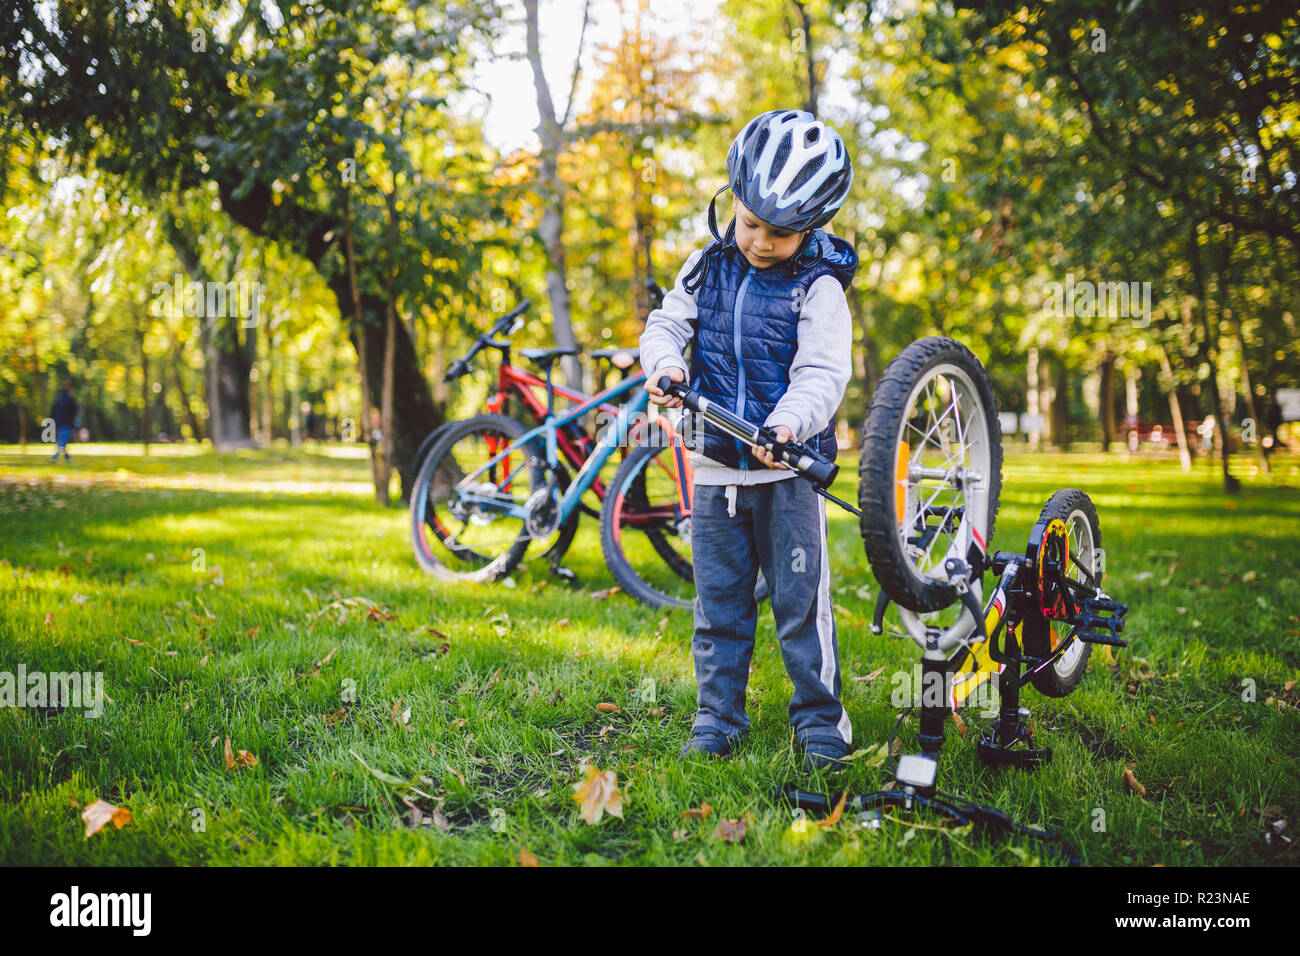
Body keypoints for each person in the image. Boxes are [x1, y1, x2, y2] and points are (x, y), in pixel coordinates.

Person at [640, 109, 857, 772]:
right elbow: (665, 326)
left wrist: (788, 424)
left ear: (812, 227)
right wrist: (666, 366)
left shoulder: (818, 289)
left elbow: (822, 372)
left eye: (781, 232)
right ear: (731, 201)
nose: (761, 241)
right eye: (751, 222)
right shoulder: (706, 265)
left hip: (786, 479)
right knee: (720, 608)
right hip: (714, 474)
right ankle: (718, 716)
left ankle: (820, 720)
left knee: (799, 608)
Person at [49, 382, 78, 463]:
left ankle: (67, 457)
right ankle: (55, 457)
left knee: (63, 440)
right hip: (66, 423)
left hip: (58, 423)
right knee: (62, 441)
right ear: (70, 390)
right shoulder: (70, 400)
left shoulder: (58, 399)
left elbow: (53, 411)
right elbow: (75, 410)